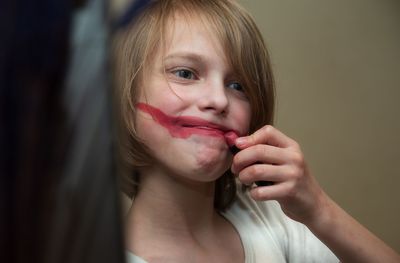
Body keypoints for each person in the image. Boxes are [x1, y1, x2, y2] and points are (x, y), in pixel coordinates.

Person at [114, 0, 400, 262]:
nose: (219, 99)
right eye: (186, 73)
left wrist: (319, 210)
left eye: (237, 86)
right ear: (126, 98)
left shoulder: (274, 222)